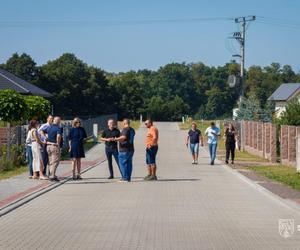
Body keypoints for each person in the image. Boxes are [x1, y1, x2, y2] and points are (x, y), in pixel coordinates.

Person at [44, 116, 62, 182]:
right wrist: (58, 143)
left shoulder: (49, 127)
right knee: (55, 162)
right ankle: (52, 176)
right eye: (59, 120)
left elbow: (41, 131)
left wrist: (45, 138)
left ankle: (50, 175)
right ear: (58, 121)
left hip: (48, 146)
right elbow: (59, 136)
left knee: (50, 161)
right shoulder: (58, 128)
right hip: (54, 146)